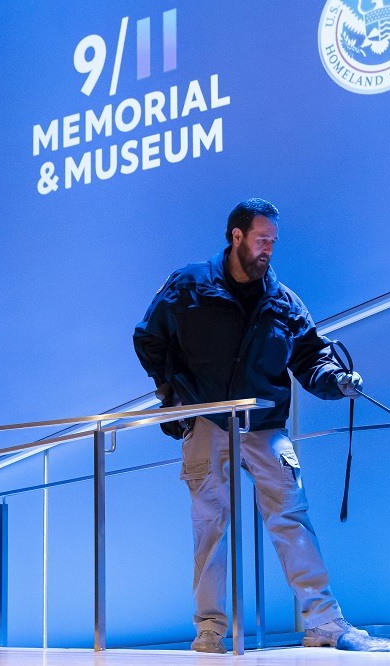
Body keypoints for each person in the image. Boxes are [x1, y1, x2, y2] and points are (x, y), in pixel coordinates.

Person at [133, 198, 365, 653]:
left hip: (264, 424)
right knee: (209, 527)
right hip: (206, 420)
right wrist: (170, 393)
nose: (268, 250)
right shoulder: (189, 285)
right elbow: (149, 337)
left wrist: (337, 381)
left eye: (273, 242)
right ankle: (210, 631)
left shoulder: (283, 301)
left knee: (291, 517)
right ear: (236, 236)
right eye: (262, 240)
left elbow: (310, 357)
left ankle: (324, 624)